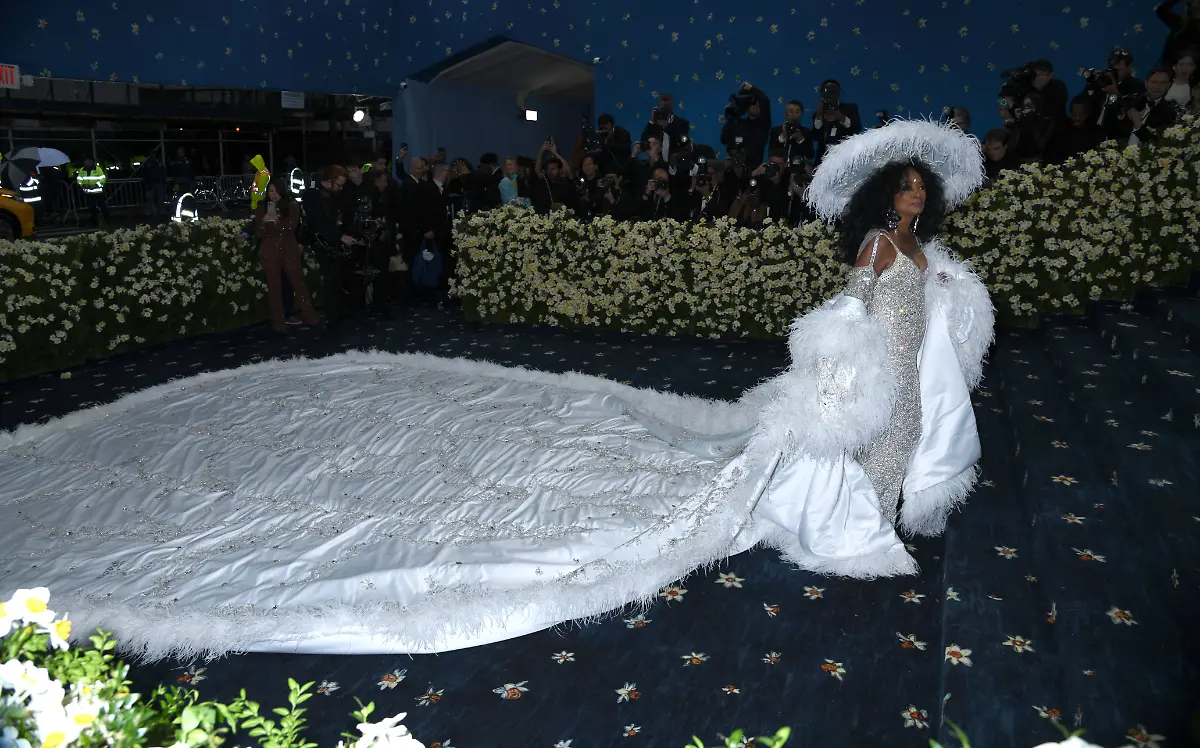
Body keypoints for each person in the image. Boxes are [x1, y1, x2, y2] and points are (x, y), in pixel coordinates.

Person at [0, 124, 993, 659]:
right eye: (900, 189)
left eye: (917, 190)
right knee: (871, 438)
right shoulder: (873, 248)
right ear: (883, 201)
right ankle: (867, 521)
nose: (909, 200)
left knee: (898, 437)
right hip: (879, 362)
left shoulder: (921, 250)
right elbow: (861, 306)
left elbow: (910, 303)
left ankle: (882, 509)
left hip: (904, 370)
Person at [254, 180, 319, 334]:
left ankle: (311, 317)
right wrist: (264, 222)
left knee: (299, 285)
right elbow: (259, 232)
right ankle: (279, 324)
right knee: (274, 288)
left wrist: (276, 222)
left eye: (276, 190)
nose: (273, 194)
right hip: (269, 250)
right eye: (270, 191)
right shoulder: (261, 208)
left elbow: (291, 225)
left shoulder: (292, 205)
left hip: (289, 248)